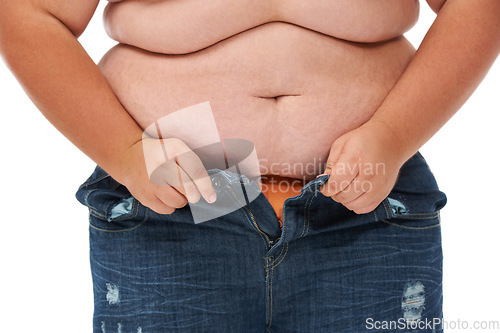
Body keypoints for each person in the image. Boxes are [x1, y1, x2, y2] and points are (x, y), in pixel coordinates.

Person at [0, 0, 498, 332]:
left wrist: (393, 136)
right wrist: (126, 150)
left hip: (365, 208)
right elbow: (29, 13)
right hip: (174, 211)